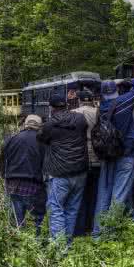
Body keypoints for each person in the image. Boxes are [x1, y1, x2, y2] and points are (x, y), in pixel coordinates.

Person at [93, 78, 134, 237]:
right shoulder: (124, 102)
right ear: (116, 91)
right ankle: (109, 233)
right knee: (119, 194)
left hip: (107, 155)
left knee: (103, 194)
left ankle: (97, 232)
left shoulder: (102, 107)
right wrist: (124, 80)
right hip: (126, 154)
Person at [37, 93, 88, 242]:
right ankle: (68, 243)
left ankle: (60, 248)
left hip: (59, 173)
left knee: (56, 210)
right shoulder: (80, 120)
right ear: (66, 104)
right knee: (72, 209)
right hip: (80, 171)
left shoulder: (49, 125)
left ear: (51, 107)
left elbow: (40, 138)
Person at [0, 115, 46, 233]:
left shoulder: (11, 139)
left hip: (12, 185)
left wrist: (5, 175)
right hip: (33, 185)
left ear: (25, 124)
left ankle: (17, 245)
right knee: (38, 219)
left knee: (15, 221)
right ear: (40, 127)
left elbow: (2, 162)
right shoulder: (42, 142)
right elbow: (46, 164)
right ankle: (38, 244)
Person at [73, 89, 100, 235]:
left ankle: (81, 227)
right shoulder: (98, 112)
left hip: (80, 154)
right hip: (96, 154)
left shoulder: (74, 113)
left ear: (80, 100)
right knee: (95, 193)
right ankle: (92, 224)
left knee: (81, 194)